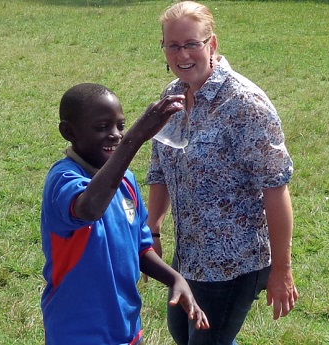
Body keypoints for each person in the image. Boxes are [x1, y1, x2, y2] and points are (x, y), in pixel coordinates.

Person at [146, 2, 299, 345]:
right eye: (172, 45)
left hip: (234, 264)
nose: (181, 53)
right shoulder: (172, 96)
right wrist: (152, 228)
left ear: (212, 44)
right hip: (189, 254)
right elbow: (160, 169)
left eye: (191, 44)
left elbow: (276, 188)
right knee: (181, 334)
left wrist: (282, 270)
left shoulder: (244, 104)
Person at [40, 82, 209, 345]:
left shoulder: (126, 180)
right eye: (101, 127)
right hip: (76, 331)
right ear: (68, 131)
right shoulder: (63, 179)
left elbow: (140, 247)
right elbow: (89, 208)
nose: (116, 134)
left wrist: (176, 278)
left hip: (126, 327)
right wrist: (135, 138)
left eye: (121, 126)